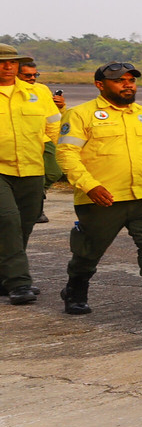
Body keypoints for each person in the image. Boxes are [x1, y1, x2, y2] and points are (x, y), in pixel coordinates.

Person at [54, 61, 142, 319]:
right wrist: (90, 185)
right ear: (100, 85)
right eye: (119, 80)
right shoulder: (81, 114)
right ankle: (75, 291)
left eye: (131, 80)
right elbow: (67, 154)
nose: (127, 85)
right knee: (89, 250)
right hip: (103, 196)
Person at [0, 43, 62, 304]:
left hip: (32, 168)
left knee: (24, 226)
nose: (7, 67)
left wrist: (47, 153)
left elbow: (53, 125)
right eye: (1, 62)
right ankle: (19, 283)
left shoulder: (38, 92)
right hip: (1, 170)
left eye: (12, 63)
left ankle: (5, 277)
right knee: (8, 222)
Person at [16, 56, 63, 223]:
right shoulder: (11, 91)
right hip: (20, 139)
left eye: (35, 75)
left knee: (54, 171)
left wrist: (56, 142)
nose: (32, 79)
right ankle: (35, 209)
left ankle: (37, 194)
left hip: (42, 138)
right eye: (27, 75)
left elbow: (52, 118)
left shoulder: (41, 90)